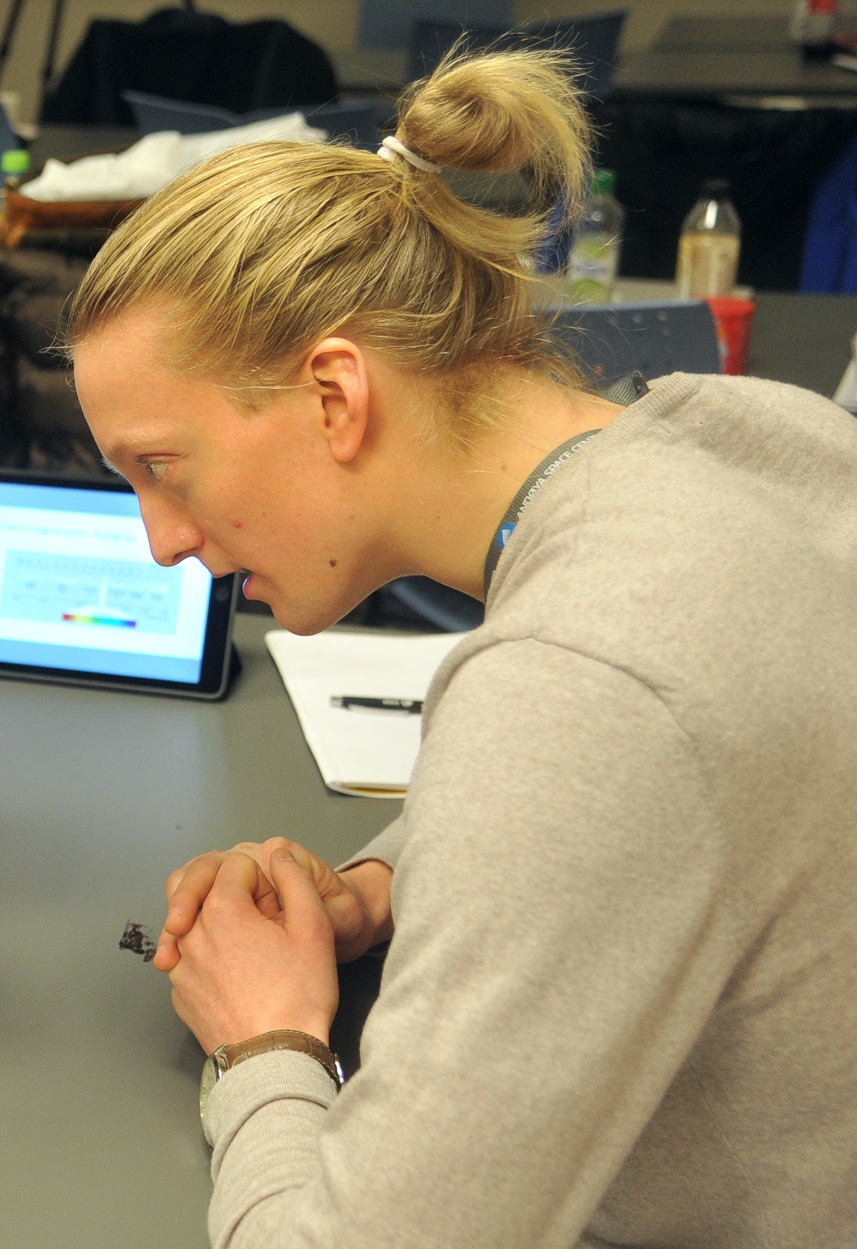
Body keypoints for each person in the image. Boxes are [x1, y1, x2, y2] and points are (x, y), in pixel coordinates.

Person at [68, 49, 857, 1248]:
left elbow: (602, 722)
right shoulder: (747, 430)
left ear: (334, 395)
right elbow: (685, 771)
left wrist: (264, 1038)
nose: (161, 541)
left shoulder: (578, 681)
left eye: (162, 468)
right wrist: (398, 882)